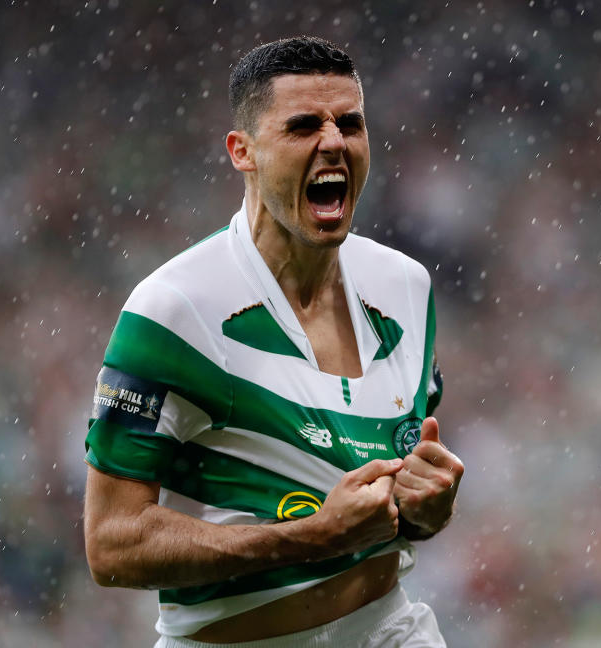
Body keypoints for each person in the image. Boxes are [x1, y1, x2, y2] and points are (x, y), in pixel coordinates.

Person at [82, 36, 464, 648]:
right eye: (303, 125)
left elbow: (392, 498)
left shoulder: (406, 287)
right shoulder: (173, 309)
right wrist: (311, 538)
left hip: (390, 628)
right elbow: (111, 544)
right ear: (243, 152)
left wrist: (423, 509)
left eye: (350, 123)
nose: (333, 141)